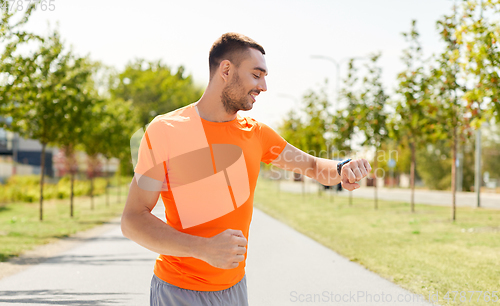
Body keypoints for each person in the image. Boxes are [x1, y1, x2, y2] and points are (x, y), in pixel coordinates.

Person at [121, 32, 372, 306]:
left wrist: (342, 168)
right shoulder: (165, 131)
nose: (263, 86)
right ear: (226, 70)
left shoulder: (257, 135)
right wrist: (202, 249)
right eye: (256, 74)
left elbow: (312, 165)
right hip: (178, 291)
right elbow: (133, 219)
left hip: (235, 290)